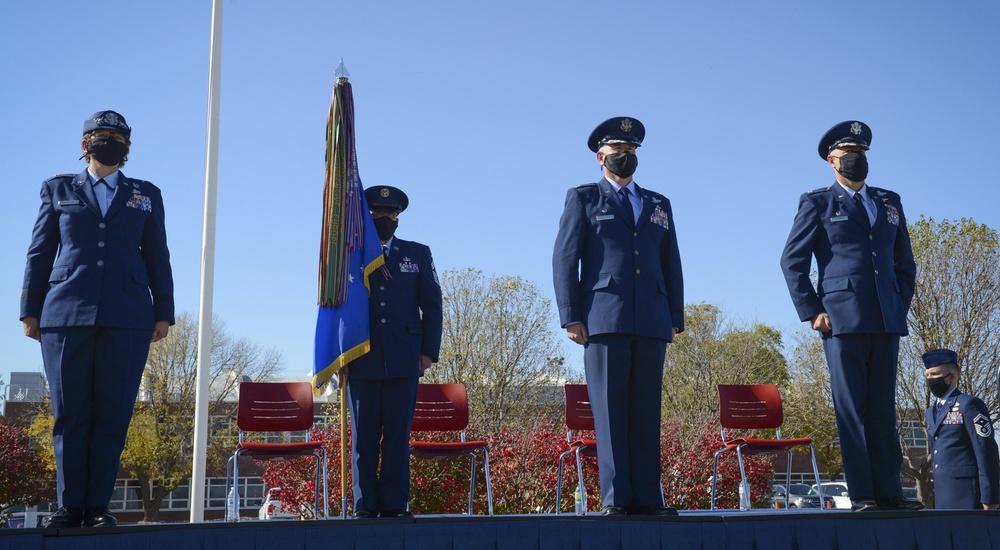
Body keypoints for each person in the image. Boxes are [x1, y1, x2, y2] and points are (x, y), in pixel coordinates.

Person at [20, 110, 174, 528]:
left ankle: (97, 508)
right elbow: (39, 251)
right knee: (70, 413)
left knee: (114, 412)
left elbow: (157, 255)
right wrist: (30, 310)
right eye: (100, 135)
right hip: (64, 313)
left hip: (128, 316)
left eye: (118, 137)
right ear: (84, 143)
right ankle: (70, 507)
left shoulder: (145, 193)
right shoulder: (58, 189)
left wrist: (164, 313)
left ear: (128, 147)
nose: (110, 142)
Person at [780, 120, 920, 512]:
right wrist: (813, 311)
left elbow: (904, 263)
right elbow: (792, 261)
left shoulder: (889, 201)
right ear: (832, 160)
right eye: (848, 154)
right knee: (852, 409)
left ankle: (890, 492)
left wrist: (898, 302)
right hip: (840, 320)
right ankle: (863, 494)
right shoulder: (818, 202)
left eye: (861, 154)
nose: (855, 160)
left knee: (882, 407)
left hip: (885, 319)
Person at [552, 117, 684, 516]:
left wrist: (674, 315)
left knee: (646, 411)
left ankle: (648, 498)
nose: (625, 157)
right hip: (602, 318)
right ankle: (617, 499)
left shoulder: (658, 203)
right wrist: (571, 315)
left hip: (651, 319)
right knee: (610, 411)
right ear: (600, 156)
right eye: (618, 151)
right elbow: (565, 258)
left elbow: (671, 263)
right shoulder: (584, 198)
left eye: (631, 152)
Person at [342, 185, 442, 519]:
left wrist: (428, 351)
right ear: (365, 216)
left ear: (398, 217)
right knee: (364, 439)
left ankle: (396, 504)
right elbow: (335, 308)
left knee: (398, 437)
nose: (384, 219)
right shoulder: (348, 254)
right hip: (360, 358)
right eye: (377, 213)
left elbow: (432, 306)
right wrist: (338, 357)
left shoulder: (418, 253)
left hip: (405, 357)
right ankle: (365, 504)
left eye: (390, 214)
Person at [923, 348, 1000, 510]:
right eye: (928, 375)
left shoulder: (969, 405)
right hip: (943, 496)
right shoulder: (930, 412)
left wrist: (989, 497)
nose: (930, 380)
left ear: (951, 376)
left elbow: (986, 451)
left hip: (969, 496)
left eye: (935, 375)